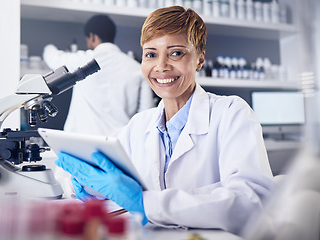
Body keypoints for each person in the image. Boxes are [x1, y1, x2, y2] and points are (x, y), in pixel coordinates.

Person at [55, 6, 275, 235]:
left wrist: (145, 202)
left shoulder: (232, 113)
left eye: (176, 53)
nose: (161, 66)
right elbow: (100, 174)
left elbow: (250, 204)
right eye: (151, 54)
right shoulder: (138, 126)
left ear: (199, 60)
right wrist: (87, 182)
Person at [43, 14, 154, 136]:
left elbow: (52, 57)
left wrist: (48, 46)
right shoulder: (137, 69)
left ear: (92, 37)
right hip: (118, 145)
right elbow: (146, 113)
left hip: (79, 143)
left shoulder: (81, 60)